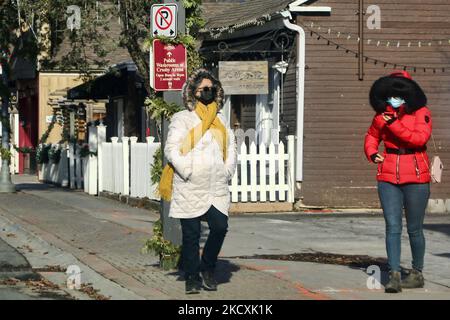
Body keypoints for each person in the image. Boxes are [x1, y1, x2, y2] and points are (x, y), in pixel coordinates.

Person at [159, 68, 237, 294]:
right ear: (193, 92)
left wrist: (227, 170)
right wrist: (188, 171)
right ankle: (192, 277)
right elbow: (171, 149)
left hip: (216, 185)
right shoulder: (183, 118)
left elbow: (230, 146)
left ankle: (208, 268)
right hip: (190, 185)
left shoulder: (220, 118)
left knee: (220, 227)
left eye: (211, 89)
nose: (208, 92)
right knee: (191, 235)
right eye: (203, 89)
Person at [364, 70, 432, 293]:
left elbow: (419, 138)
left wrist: (393, 124)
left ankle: (416, 273)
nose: (394, 99)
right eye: (390, 94)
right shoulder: (381, 115)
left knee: (414, 229)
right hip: (388, 175)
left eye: (399, 93)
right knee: (392, 227)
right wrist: (372, 152)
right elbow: (372, 135)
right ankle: (393, 274)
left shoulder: (421, 113)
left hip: (416, 175)